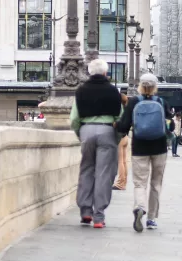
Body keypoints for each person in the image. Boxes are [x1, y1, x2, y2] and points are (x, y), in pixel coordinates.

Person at [70, 59, 123, 229]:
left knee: (86, 169)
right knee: (104, 174)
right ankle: (99, 216)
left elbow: (74, 119)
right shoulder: (113, 91)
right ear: (106, 73)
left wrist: (81, 134)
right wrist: (117, 137)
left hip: (86, 130)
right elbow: (120, 119)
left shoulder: (81, 91)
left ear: (89, 72)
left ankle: (85, 211)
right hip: (107, 131)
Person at [116, 74, 172, 232]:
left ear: (140, 86)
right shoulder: (161, 102)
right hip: (159, 146)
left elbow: (123, 126)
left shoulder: (134, 102)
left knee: (140, 182)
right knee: (156, 183)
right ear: (155, 87)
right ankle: (152, 218)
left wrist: (116, 126)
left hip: (139, 146)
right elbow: (170, 124)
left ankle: (140, 207)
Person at [113, 93, 131, 191]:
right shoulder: (126, 109)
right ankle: (124, 182)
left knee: (120, 161)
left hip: (120, 137)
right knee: (124, 161)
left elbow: (116, 122)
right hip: (126, 137)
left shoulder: (119, 109)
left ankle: (120, 183)